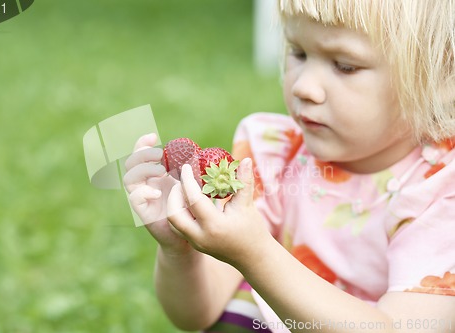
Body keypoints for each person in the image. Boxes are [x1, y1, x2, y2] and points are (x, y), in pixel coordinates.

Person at [123, 0, 455, 332]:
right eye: (298, 52)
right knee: (242, 304)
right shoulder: (275, 153)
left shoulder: (441, 187)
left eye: (345, 65)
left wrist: (256, 254)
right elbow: (199, 314)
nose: (303, 87)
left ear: (442, 77)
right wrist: (180, 250)